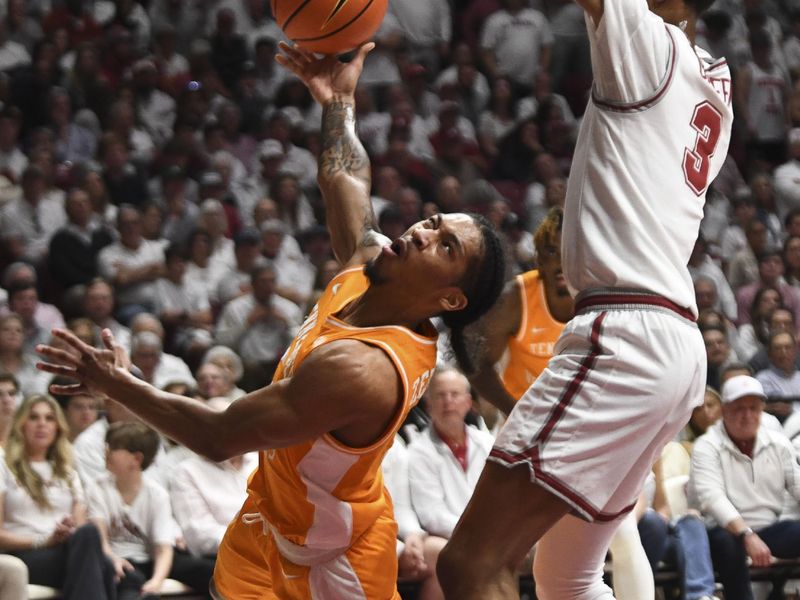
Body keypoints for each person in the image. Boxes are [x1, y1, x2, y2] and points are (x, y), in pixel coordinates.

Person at [36, 41, 506, 600]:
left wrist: (117, 384)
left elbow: (218, 434)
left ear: (451, 299)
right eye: (432, 221)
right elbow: (347, 179)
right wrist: (338, 102)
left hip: (336, 559)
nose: (425, 231)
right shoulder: (372, 265)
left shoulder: (364, 369)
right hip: (268, 524)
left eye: (445, 245)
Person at [436, 0, 733, 597]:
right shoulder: (715, 84)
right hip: (672, 344)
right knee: (566, 575)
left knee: (468, 563)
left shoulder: (649, 46)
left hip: (624, 335)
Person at [688, 375, 800, 600]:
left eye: (753, 408)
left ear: (762, 410)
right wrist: (746, 535)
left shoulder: (779, 443)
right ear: (724, 410)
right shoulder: (706, 446)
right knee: (728, 544)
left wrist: (753, 536)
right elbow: (712, 498)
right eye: (739, 408)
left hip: (768, 529)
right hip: (722, 531)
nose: (747, 415)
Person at [0, 395, 114, 599]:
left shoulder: (68, 472)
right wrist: (44, 540)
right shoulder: (3, 465)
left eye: (49, 418)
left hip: (67, 552)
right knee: (104, 565)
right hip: (24, 555)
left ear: (58, 427)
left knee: (89, 537)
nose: (42, 424)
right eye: (34, 417)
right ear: (21, 424)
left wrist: (67, 530)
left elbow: (80, 530)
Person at [407, 369, 494, 540]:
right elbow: (431, 514)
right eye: (440, 395)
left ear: (468, 402)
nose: (448, 402)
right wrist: (477, 533)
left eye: (455, 394)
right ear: (428, 405)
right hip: (452, 540)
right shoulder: (418, 452)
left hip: (496, 534)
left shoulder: (488, 443)